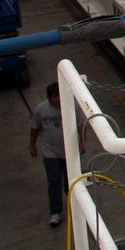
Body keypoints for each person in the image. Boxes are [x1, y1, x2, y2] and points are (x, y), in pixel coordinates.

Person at [29, 81, 86, 227]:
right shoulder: (41, 109)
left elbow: (81, 125)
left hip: (70, 151)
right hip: (50, 152)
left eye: (61, 96)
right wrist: (32, 144)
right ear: (50, 97)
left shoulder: (72, 106)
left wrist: (82, 141)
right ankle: (55, 212)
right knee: (54, 181)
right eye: (56, 97)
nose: (59, 100)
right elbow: (35, 127)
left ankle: (76, 208)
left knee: (71, 182)